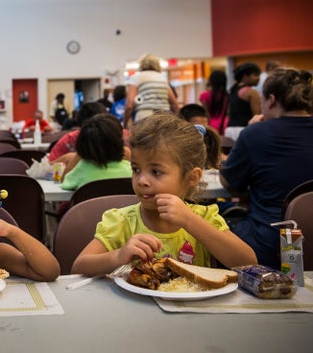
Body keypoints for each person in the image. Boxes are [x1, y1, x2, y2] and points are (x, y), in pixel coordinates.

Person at [71, 112, 256, 275]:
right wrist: (118, 255)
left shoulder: (204, 218)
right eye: (136, 169)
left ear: (192, 177)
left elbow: (248, 263)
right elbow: (79, 266)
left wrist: (189, 220)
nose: (142, 180)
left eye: (156, 172)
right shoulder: (122, 221)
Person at [220, 68, 313, 269]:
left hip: (271, 244)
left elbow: (230, 185)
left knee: (215, 221)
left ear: (271, 100)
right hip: (305, 243)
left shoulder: (256, 134)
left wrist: (250, 130)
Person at [55, 113, 133, 218]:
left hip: (88, 223)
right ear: (119, 142)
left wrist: (79, 156)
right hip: (125, 223)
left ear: (81, 144)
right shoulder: (131, 170)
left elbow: (64, 181)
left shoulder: (82, 168)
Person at [123, 54, 179, 127]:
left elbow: (129, 105)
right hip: (163, 117)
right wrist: (175, 122)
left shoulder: (136, 77)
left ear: (141, 64)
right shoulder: (162, 78)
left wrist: (124, 124)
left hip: (144, 117)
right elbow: (174, 104)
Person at [48, 102, 112, 162]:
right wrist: (66, 159)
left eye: (98, 127)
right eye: (89, 128)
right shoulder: (69, 140)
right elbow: (49, 167)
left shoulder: (116, 137)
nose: (93, 133)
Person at [225, 62, 261, 141]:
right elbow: (257, 116)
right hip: (245, 129)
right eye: (255, 75)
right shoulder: (252, 92)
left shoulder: (232, 91)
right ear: (245, 76)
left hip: (229, 130)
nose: (258, 78)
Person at [199, 70, 228, 135]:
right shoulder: (227, 96)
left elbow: (205, 112)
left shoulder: (204, 95)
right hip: (225, 124)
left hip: (210, 124)